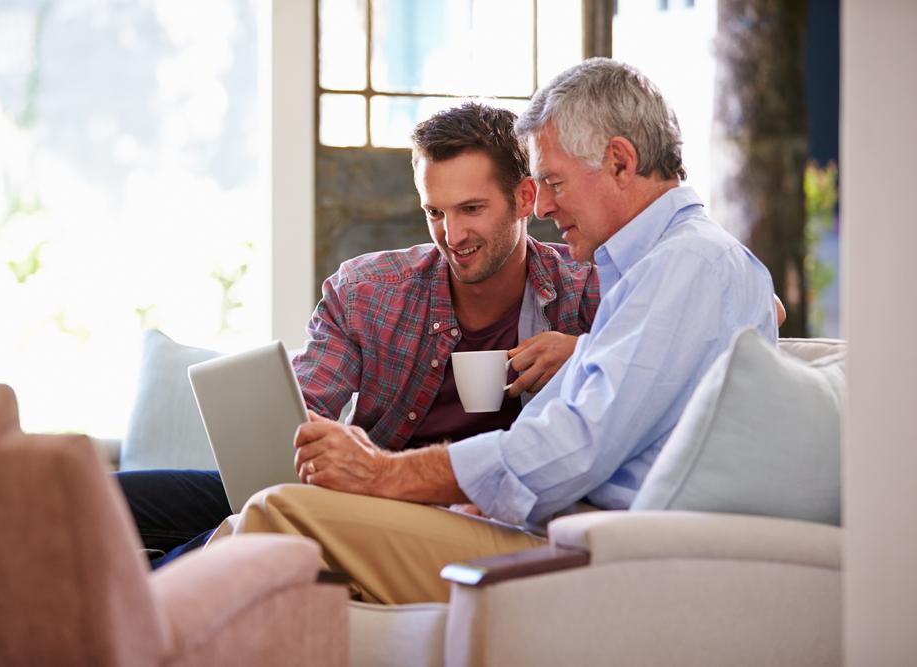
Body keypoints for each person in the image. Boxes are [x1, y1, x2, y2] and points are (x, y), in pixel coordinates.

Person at [207, 58, 780, 604]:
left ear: (620, 162)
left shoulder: (687, 267)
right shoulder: (660, 268)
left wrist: (384, 474)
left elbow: (573, 446)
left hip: (588, 552)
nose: (547, 204)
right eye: (436, 212)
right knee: (246, 517)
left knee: (277, 513)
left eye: (553, 181)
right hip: (557, 529)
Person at [119, 102, 600, 566]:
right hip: (362, 497)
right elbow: (309, 405)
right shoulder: (368, 291)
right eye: (435, 213)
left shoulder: (585, 291)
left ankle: (139, 604)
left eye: (471, 209)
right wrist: (304, 432)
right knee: (112, 498)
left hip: (461, 519)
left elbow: (646, 384)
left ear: (524, 198)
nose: (453, 236)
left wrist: (582, 353)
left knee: (258, 525)